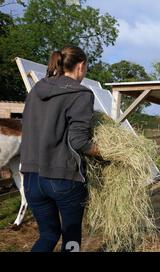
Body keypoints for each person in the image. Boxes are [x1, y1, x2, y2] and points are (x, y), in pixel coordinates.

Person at [20, 46, 100, 252]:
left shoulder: (36, 90)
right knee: (71, 240)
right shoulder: (81, 93)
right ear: (80, 66)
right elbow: (78, 141)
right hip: (63, 178)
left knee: (48, 235)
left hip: (30, 179)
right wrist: (105, 152)